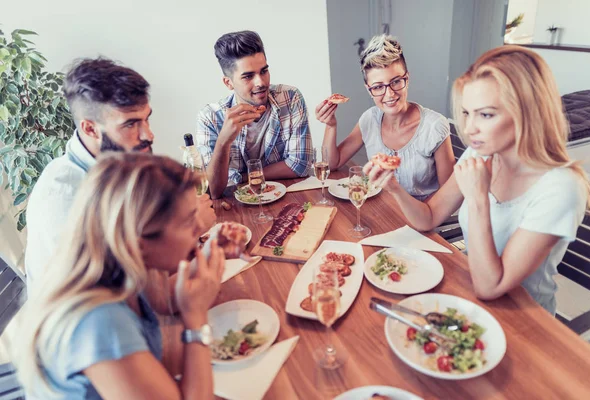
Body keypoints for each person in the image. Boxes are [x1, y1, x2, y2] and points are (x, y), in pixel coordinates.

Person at [365, 45, 590, 314]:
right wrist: (393, 188)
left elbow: (490, 286)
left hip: (525, 323)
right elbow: (428, 217)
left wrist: (477, 199)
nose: (469, 128)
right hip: (471, 298)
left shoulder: (560, 188)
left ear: (527, 112)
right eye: (466, 113)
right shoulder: (480, 154)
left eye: (485, 114)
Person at [14, 153, 224, 400]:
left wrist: (211, 255)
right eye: (189, 220)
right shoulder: (100, 321)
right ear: (139, 244)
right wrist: (196, 317)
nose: (200, 227)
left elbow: (164, 300)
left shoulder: (120, 268)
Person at [24, 57, 215, 297]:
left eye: (147, 118)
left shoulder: (119, 164)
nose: (149, 135)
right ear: (90, 129)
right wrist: (192, 227)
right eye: (131, 124)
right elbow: (104, 289)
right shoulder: (62, 196)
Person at [316, 35, 455, 200]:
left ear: (407, 79)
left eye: (396, 82)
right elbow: (333, 164)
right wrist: (331, 125)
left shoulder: (434, 127)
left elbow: (448, 195)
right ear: (369, 90)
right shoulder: (369, 119)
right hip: (380, 210)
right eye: (378, 87)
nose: (389, 94)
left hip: (423, 217)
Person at [196, 30, 313, 198]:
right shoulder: (210, 118)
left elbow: (300, 165)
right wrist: (224, 141)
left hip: (287, 198)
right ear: (228, 82)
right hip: (237, 209)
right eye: (248, 76)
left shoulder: (290, 97)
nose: (260, 82)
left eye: (264, 71)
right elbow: (213, 191)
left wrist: (244, 177)